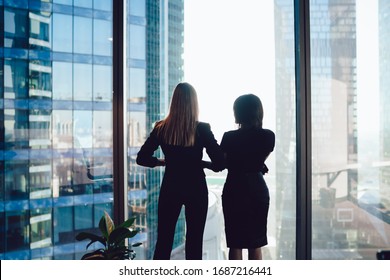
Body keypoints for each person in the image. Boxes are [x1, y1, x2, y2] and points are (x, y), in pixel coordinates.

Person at [136, 82, 225, 260]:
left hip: (171, 187)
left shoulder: (161, 128)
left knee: (164, 241)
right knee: (194, 242)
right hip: (196, 188)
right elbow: (220, 163)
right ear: (194, 103)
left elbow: (142, 158)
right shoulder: (202, 129)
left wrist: (163, 162)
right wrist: (200, 163)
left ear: (174, 102)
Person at [220, 94, 275, 260]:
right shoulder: (268, 136)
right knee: (255, 243)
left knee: (235, 243)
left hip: (234, 188)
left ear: (238, 113)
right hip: (256, 189)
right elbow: (257, 159)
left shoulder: (229, 137)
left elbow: (222, 164)